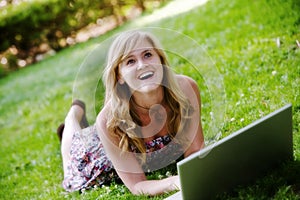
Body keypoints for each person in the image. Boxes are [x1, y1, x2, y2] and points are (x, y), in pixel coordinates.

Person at [57, 30, 205, 196]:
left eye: (148, 55)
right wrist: (174, 182)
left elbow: (195, 153)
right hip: (100, 150)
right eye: (130, 61)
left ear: (161, 60)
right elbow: (137, 185)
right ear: (119, 75)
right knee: (74, 152)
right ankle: (73, 115)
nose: (142, 65)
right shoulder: (108, 121)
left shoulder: (186, 89)